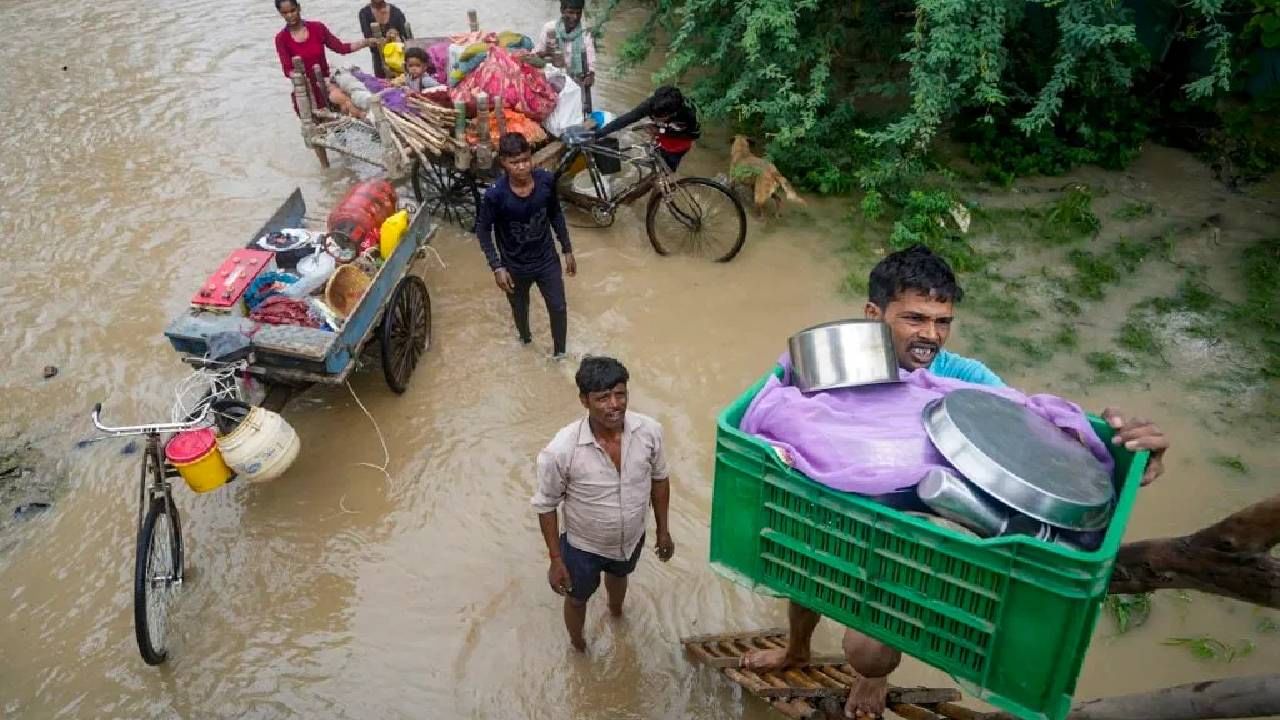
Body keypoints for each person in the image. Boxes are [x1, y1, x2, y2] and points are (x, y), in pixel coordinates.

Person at [741, 244, 1172, 720]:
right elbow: (780, 413)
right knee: (801, 575)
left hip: (905, 529)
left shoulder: (965, 380)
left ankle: (872, 677)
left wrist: (1105, 447)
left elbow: (1025, 432)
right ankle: (797, 649)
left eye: (942, 321)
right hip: (835, 504)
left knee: (867, 649)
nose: (931, 335)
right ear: (872, 314)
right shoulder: (836, 360)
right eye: (914, 318)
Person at [532, 356, 675, 651]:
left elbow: (659, 480)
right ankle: (578, 645)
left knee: (620, 574)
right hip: (584, 546)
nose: (615, 405)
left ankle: (616, 613)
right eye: (603, 398)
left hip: (631, 537)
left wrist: (663, 530)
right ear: (584, 400)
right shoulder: (561, 450)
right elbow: (546, 505)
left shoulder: (649, 432)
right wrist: (556, 560)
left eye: (620, 394)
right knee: (577, 597)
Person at [476, 133, 576, 358]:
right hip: (514, 266)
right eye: (515, 163)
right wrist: (497, 266)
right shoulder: (495, 195)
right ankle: (525, 341)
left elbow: (555, 214)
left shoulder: (546, 181)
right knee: (520, 309)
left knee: (558, 308)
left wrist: (567, 249)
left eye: (525, 160)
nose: (522, 167)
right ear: (503, 163)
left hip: (546, 259)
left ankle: (560, 354)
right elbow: (483, 231)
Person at [275, 0, 379, 114]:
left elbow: (341, 48)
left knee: (347, 104)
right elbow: (287, 70)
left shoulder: (317, 28)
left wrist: (365, 42)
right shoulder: (281, 39)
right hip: (306, 90)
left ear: (298, 8)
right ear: (280, 13)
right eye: (285, 13)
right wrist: (299, 77)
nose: (290, 15)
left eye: (292, 10)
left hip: (325, 82)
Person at [595, 86, 701, 171]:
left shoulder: (689, 114)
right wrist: (599, 133)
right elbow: (626, 119)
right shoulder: (652, 104)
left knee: (665, 173)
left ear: (672, 113)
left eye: (658, 117)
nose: (654, 118)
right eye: (652, 116)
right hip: (663, 134)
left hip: (678, 144)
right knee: (655, 167)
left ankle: (662, 193)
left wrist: (660, 131)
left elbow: (694, 135)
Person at [533, 0, 596, 87]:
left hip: (573, 83)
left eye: (578, 13)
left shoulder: (585, 34)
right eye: (570, 12)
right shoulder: (549, 28)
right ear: (562, 10)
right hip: (550, 81)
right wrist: (546, 53)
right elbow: (536, 56)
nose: (575, 17)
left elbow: (590, 64)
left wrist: (590, 77)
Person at [358, 0, 412, 79]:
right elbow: (368, 37)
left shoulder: (396, 12)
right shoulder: (364, 13)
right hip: (379, 58)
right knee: (383, 83)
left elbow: (407, 38)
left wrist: (396, 35)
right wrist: (385, 40)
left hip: (399, 58)